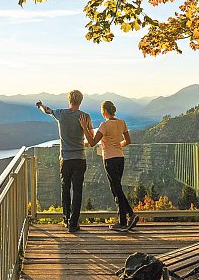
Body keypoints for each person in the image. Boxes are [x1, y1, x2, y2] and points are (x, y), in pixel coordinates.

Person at [37, 90, 95, 233]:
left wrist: (40, 105)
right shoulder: (85, 116)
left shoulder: (61, 114)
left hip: (66, 159)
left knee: (65, 189)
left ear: (69, 100)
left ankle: (66, 219)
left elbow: (47, 110)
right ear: (81, 101)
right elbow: (91, 137)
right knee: (77, 191)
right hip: (80, 159)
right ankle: (73, 224)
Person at [88, 100, 138, 232]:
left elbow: (93, 142)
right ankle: (124, 219)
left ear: (104, 111)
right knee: (118, 188)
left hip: (109, 159)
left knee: (116, 189)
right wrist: (117, 146)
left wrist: (84, 127)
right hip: (120, 158)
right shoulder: (122, 123)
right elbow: (128, 141)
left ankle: (128, 217)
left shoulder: (104, 125)